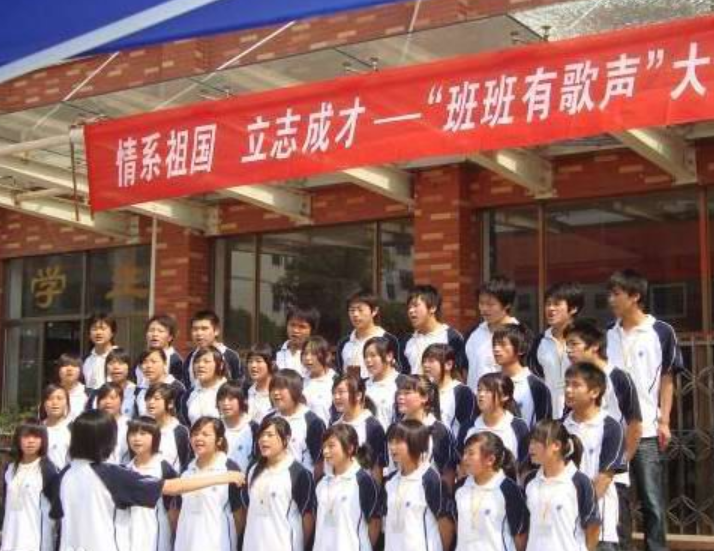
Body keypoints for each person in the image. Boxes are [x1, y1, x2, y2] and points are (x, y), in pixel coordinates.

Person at [49, 410, 245, 551]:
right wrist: (223, 477)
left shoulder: (65, 474)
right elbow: (171, 487)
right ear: (105, 439)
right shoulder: (110, 475)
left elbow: (56, 514)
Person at [606, 269, 683, 551]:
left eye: (617, 294)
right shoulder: (608, 333)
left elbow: (667, 378)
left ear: (635, 296)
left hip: (648, 429)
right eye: (610, 293)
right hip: (614, 432)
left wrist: (665, 420)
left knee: (652, 499)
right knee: (617, 499)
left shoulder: (660, 331)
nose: (611, 299)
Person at [565, 318, 643, 549]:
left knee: (614, 536)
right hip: (578, 480)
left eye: (574, 344)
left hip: (612, 477)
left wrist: (618, 463)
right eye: (566, 345)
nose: (568, 350)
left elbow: (635, 424)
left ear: (594, 346)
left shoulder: (618, 377)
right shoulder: (571, 386)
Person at [562, 362, 626, 551]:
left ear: (595, 392)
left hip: (599, 524)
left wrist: (581, 511)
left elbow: (605, 477)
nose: (568, 390)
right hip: (564, 524)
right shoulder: (560, 427)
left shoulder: (610, 427)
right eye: (567, 384)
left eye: (576, 385)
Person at [240, 417, 317, 551]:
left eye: (270, 435)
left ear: (286, 439)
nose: (263, 439)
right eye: (261, 435)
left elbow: (308, 518)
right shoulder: (253, 469)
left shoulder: (298, 473)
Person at [525, 420, 600, 551]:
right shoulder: (530, 481)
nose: (531, 447)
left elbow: (593, 528)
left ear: (556, 445)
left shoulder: (580, 482)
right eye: (530, 442)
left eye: (536, 442)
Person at [173, 417, 244, 551]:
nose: (198, 438)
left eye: (205, 434)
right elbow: (177, 510)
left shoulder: (229, 469)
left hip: (218, 545)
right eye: (195, 434)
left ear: (219, 440)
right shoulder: (186, 469)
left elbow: (238, 515)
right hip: (186, 544)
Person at [384, 419, 455, 551]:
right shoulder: (391, 481)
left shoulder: (429, 479)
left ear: (415, 443)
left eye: (398, 442)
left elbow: (446, 525)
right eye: (391, 442)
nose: (392, 447)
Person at [313, 424, 382, 551]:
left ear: (350, 448)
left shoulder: (363, 481)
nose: (325, 451)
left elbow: (375, 523)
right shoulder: (322, 483)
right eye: (324, 447)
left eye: (331, 446)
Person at [456, 431, 528, 551]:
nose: (464, 458)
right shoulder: (460, 487)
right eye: (464, 453)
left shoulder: (508, 489)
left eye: (471, 453)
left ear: (490, 460)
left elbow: (520, 535)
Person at [528, 282, 585, 418]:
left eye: (557, 304)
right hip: (548, 418)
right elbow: (534, 380)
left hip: (580, 417)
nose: (550, 308)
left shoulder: (586, 341)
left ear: (573, 308)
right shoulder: (538, 342)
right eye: (548, 304)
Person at [1, 419, 59, 551]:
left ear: (43, 440)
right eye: (26, 436)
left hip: (36, 543)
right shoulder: (10, 469)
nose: (31, 441)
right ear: (18, 439)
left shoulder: (48, 470)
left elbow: (58, 512)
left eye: (36, 436)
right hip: (10, 542)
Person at [391, 375, 457, 486]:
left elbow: (448, 472)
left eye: (407, 393)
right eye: (399, 393)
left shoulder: (439, 430)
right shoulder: (394, 428)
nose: (400, 397)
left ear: (424, 397)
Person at [126, 416, 178, 551]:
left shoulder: (163, 468)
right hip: (130, 537)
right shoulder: (126, 469)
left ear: (155, 437)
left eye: (143, 433)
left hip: (156, 537)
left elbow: (174, 508)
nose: (136, 438)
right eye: (132, 433)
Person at [459, 373, 530, 466]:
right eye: (479, 390)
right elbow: (460, 463)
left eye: (488, 390)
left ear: (505, 396)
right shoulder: (468, 426)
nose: (481, 394)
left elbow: (525, 464)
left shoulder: (518, 427)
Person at [267, 370, 326, 476]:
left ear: (295, 390)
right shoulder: (268, 420)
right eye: (273, 388)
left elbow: (320, 462)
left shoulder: (313, 422)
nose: (275, 393)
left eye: (281, 388)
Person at [464, 276, 519, 390]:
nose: (484, 309)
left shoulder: (519, 335)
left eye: (490, 304)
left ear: (507, 304)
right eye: (481, 303)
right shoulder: (473, 334)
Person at [331, 374, 387, 482]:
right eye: (334, 393)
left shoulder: (372, 427)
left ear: (358, 395)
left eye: (341, 392)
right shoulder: (334, 426)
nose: (336, 397)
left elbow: (376, 469)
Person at [494, 324, 552, 428]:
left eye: (503, 344)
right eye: (494, 344)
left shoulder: (537, 387)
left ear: (521, 349)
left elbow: (544, 427)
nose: (496, 349)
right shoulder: (490, 382)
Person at [336, 289, 403, 378]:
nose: (355, 314)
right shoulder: (344, 343)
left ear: (374, 311)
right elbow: (341, 374)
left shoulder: (388, 340)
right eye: (352, 310)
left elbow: (397, 373)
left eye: (360, 310)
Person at [403, 284, 465, 375]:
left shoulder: (452, 337)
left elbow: (459, 374)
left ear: (432, 308)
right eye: (409, 307)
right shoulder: (407, 341)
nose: (411, 311)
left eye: (416, 305)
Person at [421, 343, 475, 437]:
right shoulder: (424, 390)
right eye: (424, 361)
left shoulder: (462, 392)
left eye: (431, 361)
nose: (425, 365)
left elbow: (466, 427)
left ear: (448, 364)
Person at [182, 310, 244, 388]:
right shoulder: (190, 357)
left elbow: (238, 387)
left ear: (216, 331)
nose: (199, 333)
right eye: (195, 329)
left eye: (204, 329)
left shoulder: (231, 356)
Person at [145, 383, 192, 472]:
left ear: (170, 403)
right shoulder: (144, 428)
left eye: (156, 399)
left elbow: (185, 462)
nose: (151, 402)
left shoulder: (180, 432)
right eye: (148, 398)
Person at [364, 336, 406, 430]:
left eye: (373, 355)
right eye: (365, 356)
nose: (368, 360)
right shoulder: (362, 385)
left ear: (389, 356)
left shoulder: (403, 383)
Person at [181, 345, 228, 425]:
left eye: (206, 361)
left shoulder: (229, 392)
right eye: (197, 361)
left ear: (220, 365)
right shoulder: (189, 395)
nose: (200, 365)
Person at [217, 381, 257, 473]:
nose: (225, 403)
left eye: (231, 399)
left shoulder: (253, 428)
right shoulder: (215, 427)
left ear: (242, 400)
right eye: (222, 399)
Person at [134, 347, 185, 417]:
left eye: (153, 362)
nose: (149, 366)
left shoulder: (176, 388)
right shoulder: (140, 390)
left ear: (164, 363)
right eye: (144, 362)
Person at [302, 336, 338, 425]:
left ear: (327, 356)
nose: (308, 358)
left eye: (313, 354)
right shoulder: (300, 382)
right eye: (305, 353)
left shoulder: (336, 381)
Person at [276, 305, 320, 375]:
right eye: (292, 325)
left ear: (312, 330)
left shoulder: (319, 356)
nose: (295, 330)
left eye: (302, 327)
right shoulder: (275, 354)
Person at [95, 382, 131, 465]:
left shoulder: (129, 425)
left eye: (112, 398)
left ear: (121, 400)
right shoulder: (93, 424)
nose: (108, 402)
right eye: (103, 398)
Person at [142, 314, 184, 382]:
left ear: (170, 337)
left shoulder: (176, 362)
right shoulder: (141, 359)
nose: (155, 334)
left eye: (160, 331)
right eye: (151, 330)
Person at [97, 348, 136, 417]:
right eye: (111, 363)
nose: (116, 367)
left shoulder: (136, 392)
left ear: (129, 367)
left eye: (121, 363)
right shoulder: (98, 392)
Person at [82, 313, 117, 390]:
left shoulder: (120, 357)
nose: (98, 333)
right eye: (94, 329)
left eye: (103, 329)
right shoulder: (85, 360)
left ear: (112, 333)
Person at [40, 384, 71, 469]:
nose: (55, 402)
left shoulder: (74, 429)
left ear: (67, 403)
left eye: (59, 398)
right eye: (50, 399)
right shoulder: (37, 429)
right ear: (44, 404)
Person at [246, 343, 276, 424]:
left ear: (271, 364)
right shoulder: (245, 391)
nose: (253, 365)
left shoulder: (278, 391)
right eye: (250, 361)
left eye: (258, 361)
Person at [55, 353, 90, 420]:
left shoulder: (88, 394)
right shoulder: (51, 393)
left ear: (81, 370)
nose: (69, 369)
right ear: (58, 370)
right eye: (65, 365)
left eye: (74, 366)